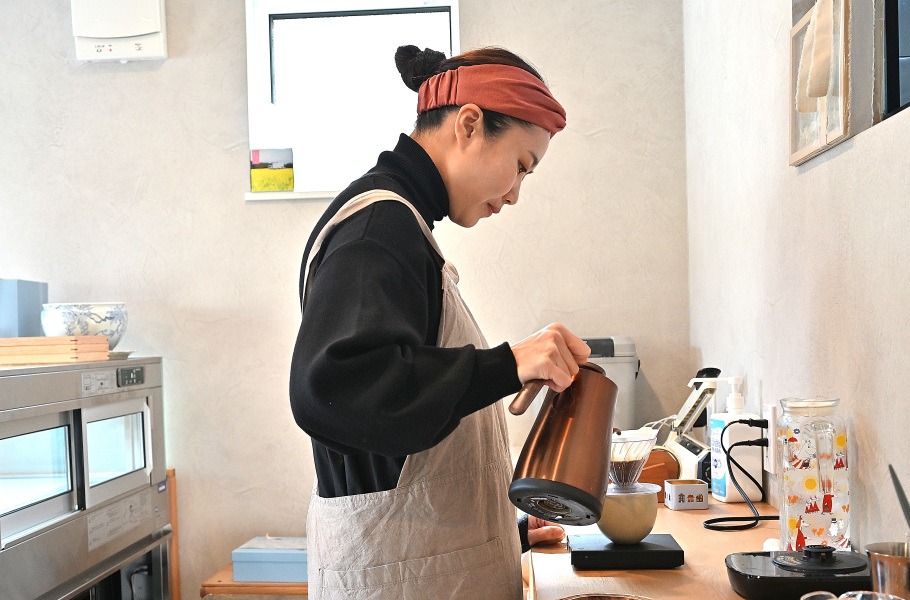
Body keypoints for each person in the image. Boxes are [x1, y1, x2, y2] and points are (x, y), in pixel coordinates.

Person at [289, 44, 590, 599]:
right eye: (521, 166)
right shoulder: (379, 228)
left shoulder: (405, 228)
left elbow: (402, 459)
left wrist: (507, 532)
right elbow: (334, 389)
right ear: (469, 124)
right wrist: (507, 365)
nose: (515, 195)